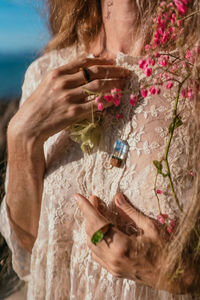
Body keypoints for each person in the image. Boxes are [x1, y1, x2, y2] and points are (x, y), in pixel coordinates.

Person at [0, 0, 200, 299]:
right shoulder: (46, 74)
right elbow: (31, 249)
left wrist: (179, 275)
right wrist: (21, 138)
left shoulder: (190, 76)